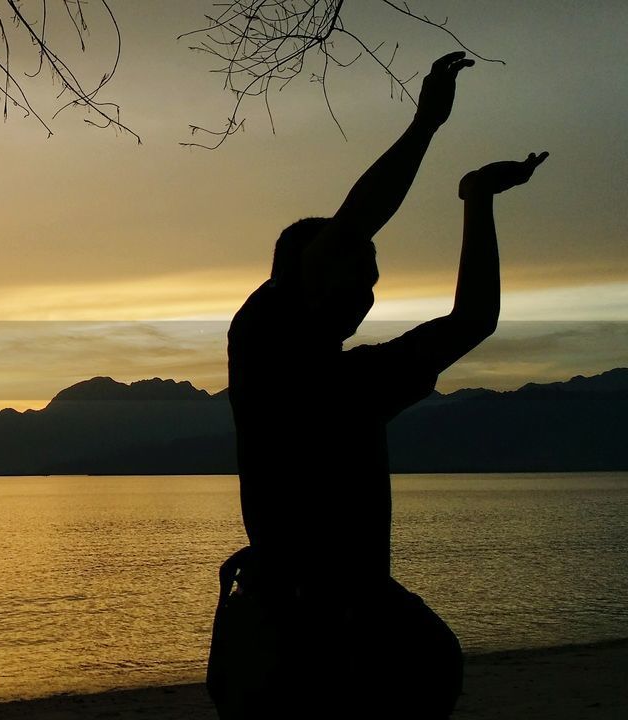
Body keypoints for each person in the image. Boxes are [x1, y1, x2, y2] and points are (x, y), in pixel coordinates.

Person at [205, 51, 548, 720]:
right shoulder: (263, 344)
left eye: (374, 283)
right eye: (358, 275)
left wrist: (478, 200)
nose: (367, 294)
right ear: (304, 274)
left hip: (355, 630)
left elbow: (473, 318)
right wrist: (425, 126)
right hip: (286, 638)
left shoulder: (364, 379)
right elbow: (353, 224)